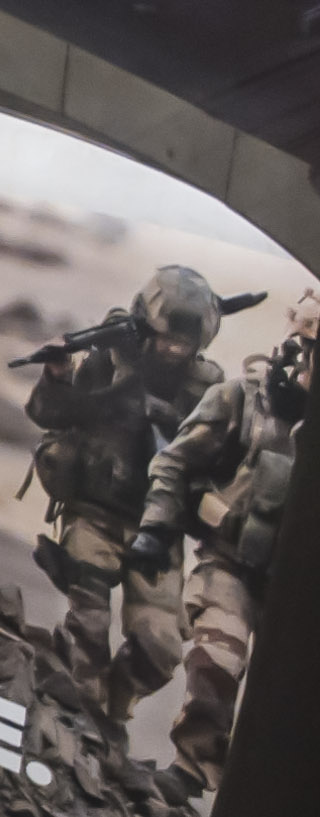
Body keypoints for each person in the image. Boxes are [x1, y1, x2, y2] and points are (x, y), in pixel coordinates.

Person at [21, 265, 229, 725]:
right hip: (93, 512)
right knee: (88, 630)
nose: (174, 349)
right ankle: (81, 717)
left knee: (159, 650)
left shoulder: (208, 390)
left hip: (155, 530)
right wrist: (57, 375)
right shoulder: (105, 359)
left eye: (184, 343)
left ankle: (109, 715)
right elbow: (48, 414)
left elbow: (219, 464)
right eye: (166, 337)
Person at [134, 292, 317, 800]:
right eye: (304, 336)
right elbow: (176, 463)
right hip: (231, 564)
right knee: (218, 658)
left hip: (297, 586)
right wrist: (156, 526)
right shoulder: (241, 399)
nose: (305, 353)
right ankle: (191, 768)